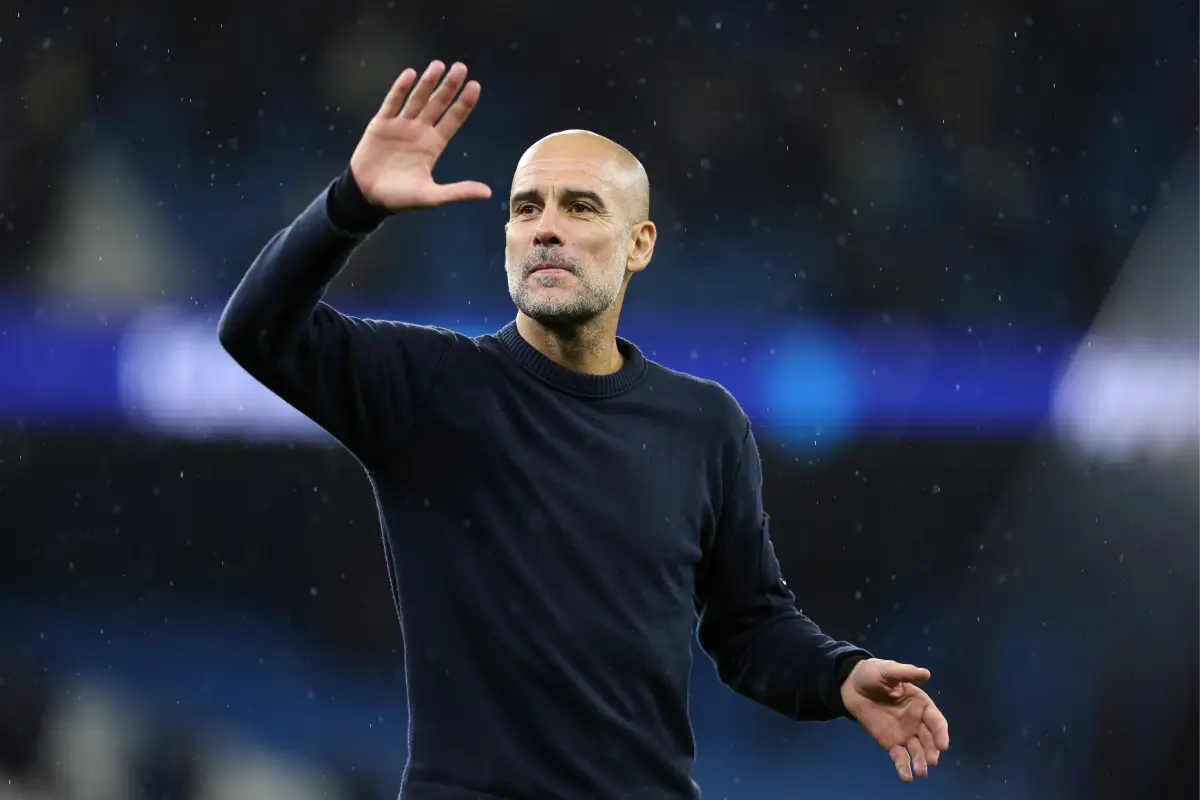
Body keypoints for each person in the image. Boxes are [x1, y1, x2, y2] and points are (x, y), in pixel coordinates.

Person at [218, 59, 950, 799]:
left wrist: (840, 673)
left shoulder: (704, 425)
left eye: (580, 207)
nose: (545, 229)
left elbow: (750, 628)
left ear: (640, 245)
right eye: (526, 208)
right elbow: (257, 331)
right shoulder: (432, 386)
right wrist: (349, 205)